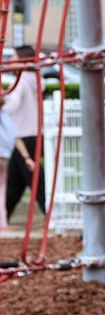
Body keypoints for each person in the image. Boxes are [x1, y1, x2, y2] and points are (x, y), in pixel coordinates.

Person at [4, 45, 45, 219]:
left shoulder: (20, 80)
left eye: (14, 57)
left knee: (35, 180)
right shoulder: (35, 78)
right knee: (15, 181)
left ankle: (50, 210)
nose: (11, 61)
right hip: (33, 133)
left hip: (23, 135)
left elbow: (12, 106)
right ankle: (4, 213)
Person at [0, 96, 35, 231]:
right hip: (2, 156)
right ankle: (2, 222)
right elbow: (16, 137)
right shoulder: (4, 115)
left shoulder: (4, 115)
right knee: (2, 189)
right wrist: (27, 157)